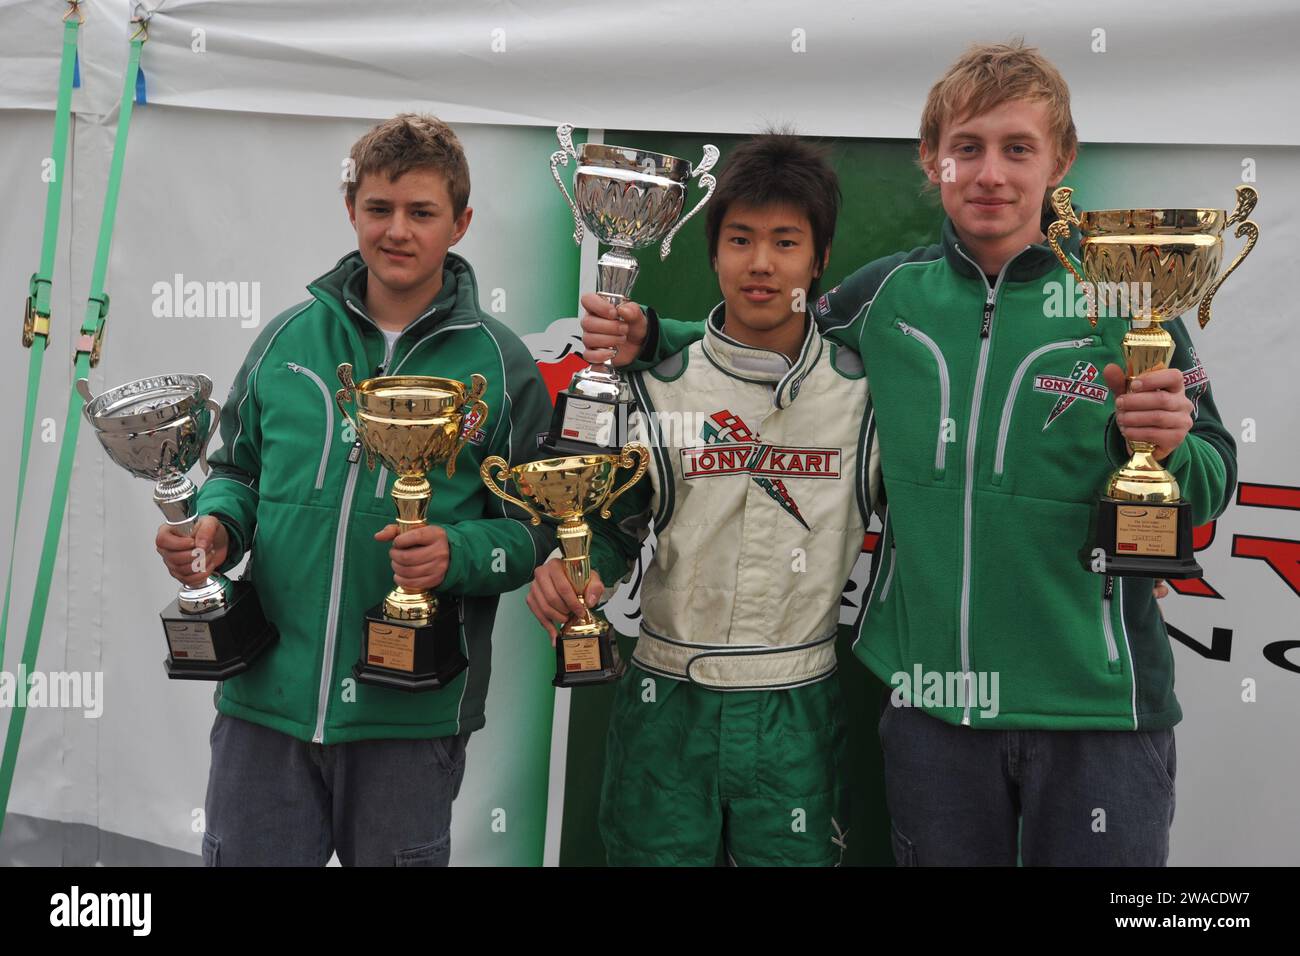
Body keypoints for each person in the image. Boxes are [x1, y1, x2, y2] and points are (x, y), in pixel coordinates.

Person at [582, 42, 1236, 866]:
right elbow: (779, 344)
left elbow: (1212, 479)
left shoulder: (1125, 297)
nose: (990, 173)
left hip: (1099, 712)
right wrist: (654, 335)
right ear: (932, 162)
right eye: (967, 148)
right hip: (932, 710)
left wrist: (1169, 448)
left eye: (1017, 148)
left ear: (1061, 159)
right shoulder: (883, 295)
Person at [155, 113, 554, 866]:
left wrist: (458, 551)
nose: (396, 230)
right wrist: (215, 528)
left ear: (460, 223)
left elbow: (535, 529)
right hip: (265, 703)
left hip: (409, 715)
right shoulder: (286, 339)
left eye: (421, 212)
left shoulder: (501, 367)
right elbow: (236, 471)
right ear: (352, 210)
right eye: (379, 208)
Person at [528, 134, 875, 866]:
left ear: (819, 261)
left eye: (786, 241)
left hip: (796, 707)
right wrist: (580, 572)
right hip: (667, 706)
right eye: (740, 239)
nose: (760, 263)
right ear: (712, 254)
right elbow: (618, 527)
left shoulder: (860, 394)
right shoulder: (660, 385)